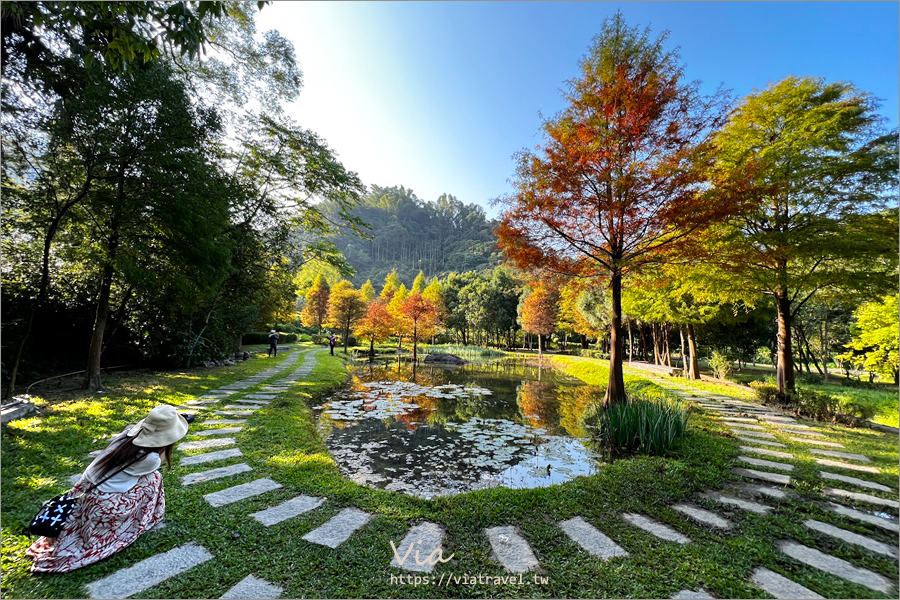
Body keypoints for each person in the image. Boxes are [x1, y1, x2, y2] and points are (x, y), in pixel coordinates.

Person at [26, 405, 190, 573]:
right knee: (154, 479)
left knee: (148, 478)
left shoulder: (125, 437)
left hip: (84, 491)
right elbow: (157, 463)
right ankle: (146, 518)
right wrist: (165, 445)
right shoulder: (150, 458)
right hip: (102, 502)